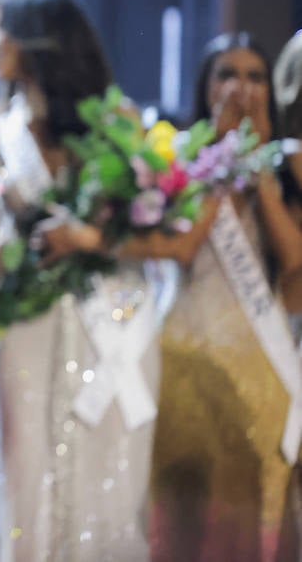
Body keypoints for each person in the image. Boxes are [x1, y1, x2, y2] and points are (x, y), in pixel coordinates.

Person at [0, 0, 175, 562]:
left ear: (35, 41)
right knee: (22, 477)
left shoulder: (121, 125)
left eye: (1, 26)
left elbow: (165, 236)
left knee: (113, 477)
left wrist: (90, 237)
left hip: (116, 325)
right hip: (27, 328)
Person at [150, 33, 302, 561]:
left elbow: (295, 259)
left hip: (261, 357)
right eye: (227, 74)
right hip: (184, 350)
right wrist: (216, 156)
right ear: (205, 87)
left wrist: (256, 168)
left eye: (256, 76)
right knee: (179, 512)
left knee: (252, 507)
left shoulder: (286, 166)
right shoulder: (172, 155)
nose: (242, 87)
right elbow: (176, 247)